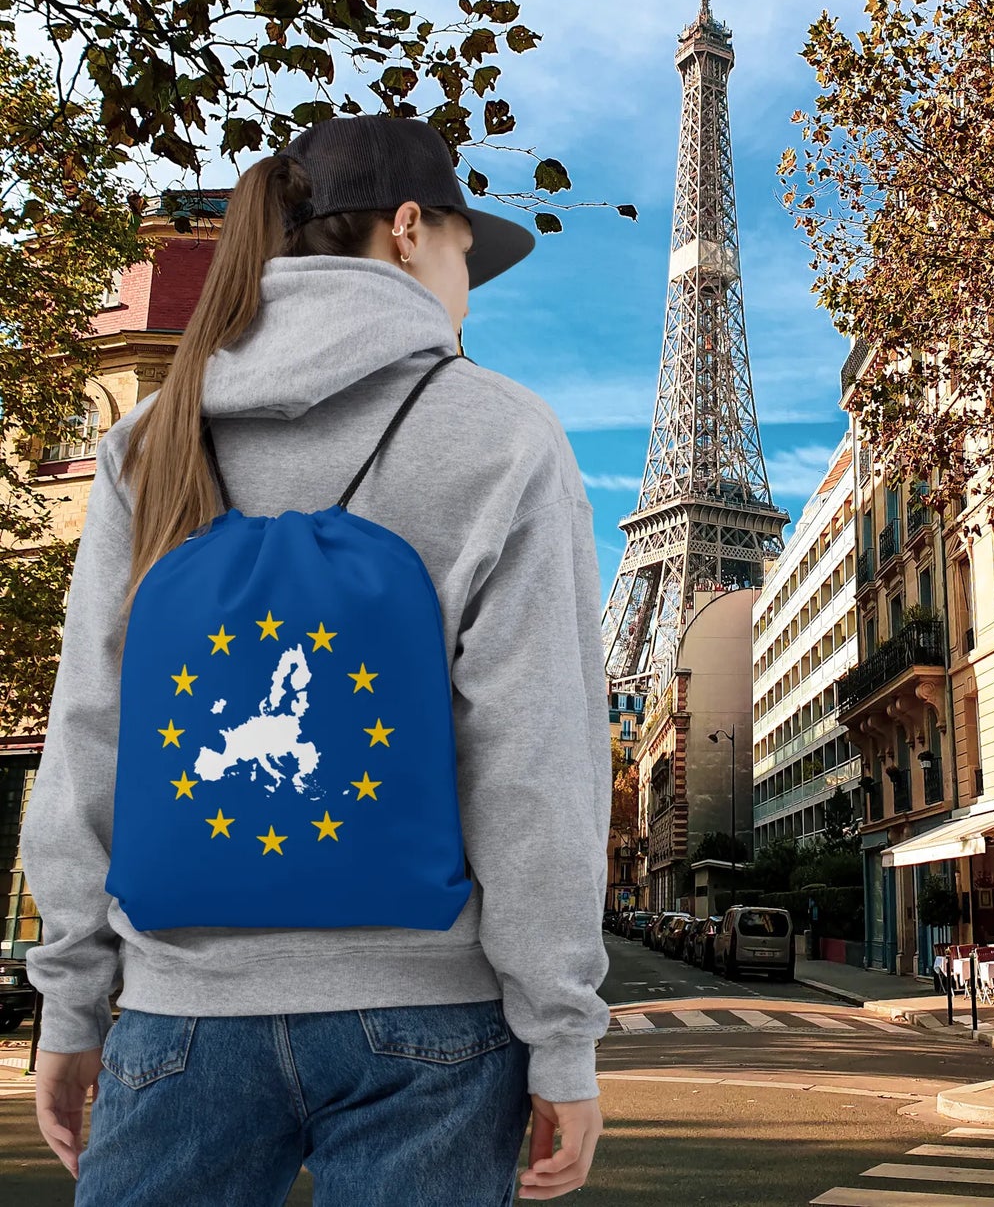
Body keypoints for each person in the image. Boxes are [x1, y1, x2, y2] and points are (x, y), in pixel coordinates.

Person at [18, 115, 610, 1204]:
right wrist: (561, 1034)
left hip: (180, 1007)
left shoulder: (152, 437)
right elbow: (533, 764)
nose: (466, 283)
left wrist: (70, 996)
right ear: (407, 228)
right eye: (464, 251)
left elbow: (91, 731)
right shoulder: (504, 435)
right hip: (430, 1019)